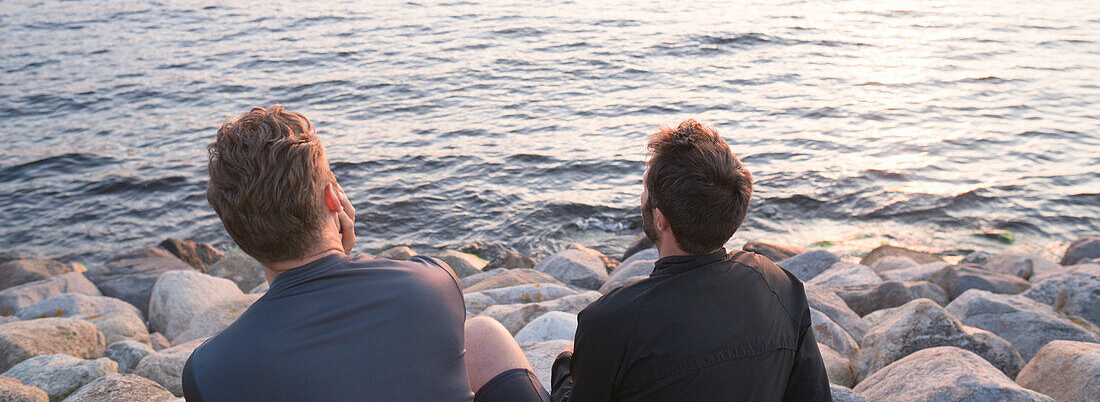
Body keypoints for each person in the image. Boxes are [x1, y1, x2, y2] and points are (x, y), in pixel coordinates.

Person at [182, 105, 549, 402]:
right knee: (482, 333)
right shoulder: (431, 284)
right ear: (333, 198)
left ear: (237, 234)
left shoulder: (208, 369)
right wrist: (341, 254)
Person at [550, 120, 832, 401]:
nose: (642, 195)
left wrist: (564, 368)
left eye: (645, 188)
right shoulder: (780, 287)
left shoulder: (610, 321)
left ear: (660, 220)